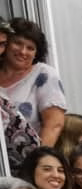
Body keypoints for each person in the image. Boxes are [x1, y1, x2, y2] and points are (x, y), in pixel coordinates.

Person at [0, 17, 66, 147]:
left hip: (28, 156)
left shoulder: (44, 74)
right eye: (17, 43)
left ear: (36, 53)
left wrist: (39, 157)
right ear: (6, 44)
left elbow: (54, 125)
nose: (23, 51)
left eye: (30, 48)